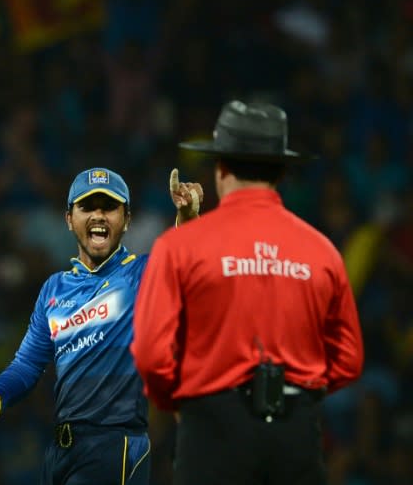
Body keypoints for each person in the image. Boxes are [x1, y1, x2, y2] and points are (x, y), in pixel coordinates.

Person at [131, 100, 365, 485]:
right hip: (295, 434)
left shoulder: (180, 247)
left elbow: (151, 354)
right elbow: (349, 360)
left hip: (210, 431)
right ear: (281, 171)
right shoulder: (322, 252)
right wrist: (301, 392)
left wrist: (181, 403)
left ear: (221, 168)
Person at [0, 167, 203, 484]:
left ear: (126, 219)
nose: (98, 215)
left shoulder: (140, 275)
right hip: (61, 449)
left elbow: (181, 266)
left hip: (115, 445)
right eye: (87, 206)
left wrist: (187, 217)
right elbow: (28, 364)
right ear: (69, 219)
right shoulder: (53, 290)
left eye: (109, 207)